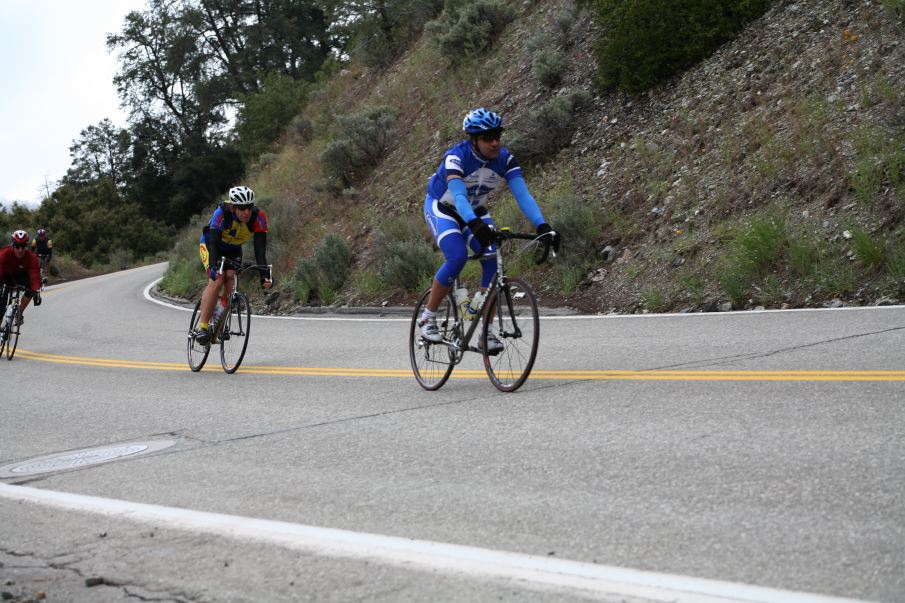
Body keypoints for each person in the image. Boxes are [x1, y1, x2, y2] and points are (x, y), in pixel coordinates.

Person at [420, 107, 561, 350]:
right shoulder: (456, 157)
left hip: (474, 211)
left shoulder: (505, 159)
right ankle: (428, 317)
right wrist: (474, 224)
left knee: (493, 256)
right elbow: (459, 195)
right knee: (457, 256)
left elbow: (522, 195)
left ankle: (485, 331)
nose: (495, 142)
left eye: (498, 135)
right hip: (443, 207)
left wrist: (543, 225)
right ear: (473, 139)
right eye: (487, 138)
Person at [194, 186, 272, 346]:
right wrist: (214, 266)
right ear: (232, 207)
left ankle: (219, 319)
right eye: (242, 208)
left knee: (231, 283)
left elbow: (260, 250)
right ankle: (202, 328)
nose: (247, 212)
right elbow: (214, 242)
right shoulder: (221, 213)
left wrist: (264, 274)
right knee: (217, 279)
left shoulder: (258, 218)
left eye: (249, 207)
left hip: (233, 249)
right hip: (210, 245)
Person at [0, 230, 42, 329]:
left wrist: (36, 291)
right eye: (17, 246)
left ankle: (19, 312)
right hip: (5, 276)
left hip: (21, 276)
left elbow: (35, 276)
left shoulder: (31, 257)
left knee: (31, 289)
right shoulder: (4, 254)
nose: (20, 250)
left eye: (23, 247)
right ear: (13, 245)